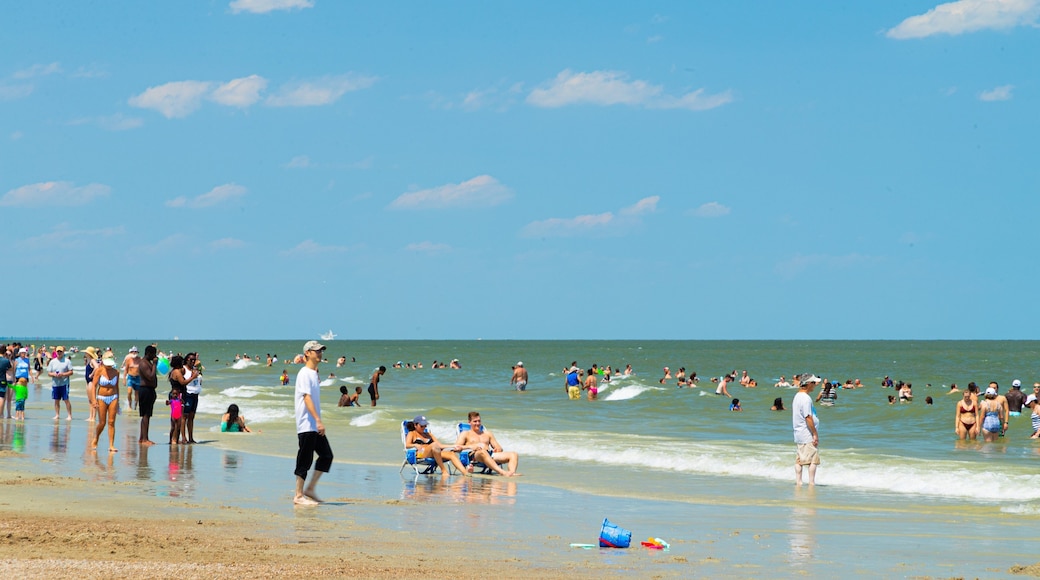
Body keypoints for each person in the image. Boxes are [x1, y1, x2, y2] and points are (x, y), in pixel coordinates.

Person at [294, 341, 332, 506]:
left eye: (321, 351)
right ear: (307, 353)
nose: (320, 353)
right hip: (306, 424)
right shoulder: (304, 373)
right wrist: (318, 420)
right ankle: (298, 495)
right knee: (305, 459)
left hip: (313, 425)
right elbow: (306, 398)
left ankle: (310, 489)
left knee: (326, 455)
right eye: (317, 351)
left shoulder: (313, 373)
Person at [453, 411, 518, 477]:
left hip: (490, 455)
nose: (478, 423)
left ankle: (512, 473)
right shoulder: (465, 434)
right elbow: (456, 447)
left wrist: (497, 449)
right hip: (475, 456)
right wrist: (471, 446)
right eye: (475, 421)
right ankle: (502, 472)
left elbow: (499, 447)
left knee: (513, 454)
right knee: (483, 452)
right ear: (469, 422)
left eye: (479, 421)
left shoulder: (487, 433)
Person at [792, 374, 821, 486]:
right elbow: (808, 417)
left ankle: (798, 481)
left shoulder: (797, 396)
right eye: (813, 383)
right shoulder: (806, 398)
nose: (815, 385)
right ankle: (811, 483)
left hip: (799, 432)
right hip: (806, 433)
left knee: (799, 459)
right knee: (813, 459)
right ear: (808, 383)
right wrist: (815, 434)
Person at [91, 357, 120, 452]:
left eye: (110, 365)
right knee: (102, 422)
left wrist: (118, 401)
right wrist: (94, 400)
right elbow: (94, 386)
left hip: (113, 397)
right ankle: (96, 438)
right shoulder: (99, 371)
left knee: (111, 422)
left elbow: (117, 386)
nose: (109, 367)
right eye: (107, 365)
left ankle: (111, 445)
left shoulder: (116, 372)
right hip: (102, 397)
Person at [137, 345, 158, 445]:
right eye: (153, 354)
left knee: (147, 415)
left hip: (149, 390)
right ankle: (145, 439)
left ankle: (143, 437)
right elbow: (150, 376)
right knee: (145, 415)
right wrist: (154, 364)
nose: (155, 356)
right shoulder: (143, 363)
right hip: (145, 390)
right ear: (148, 353)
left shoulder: (147, 363)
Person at [47, 346, 74, 421]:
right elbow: (49, 373)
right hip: (55, 384)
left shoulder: (67, 361)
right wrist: (54, 374)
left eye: (60, 351)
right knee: (56, 400)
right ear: (56, 352)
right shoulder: (52, 362)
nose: (59, 353)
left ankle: (69, 415)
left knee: (66, 399)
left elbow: (71, 372)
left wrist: (63, 374)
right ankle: (57, 415)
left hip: (64, 383)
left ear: (63, 352)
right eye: (58, 351)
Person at [82, 346, 100, 422]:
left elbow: (97, 367)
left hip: (92, 381)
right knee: (90, 400)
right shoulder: (88, 361)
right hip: (88, 381)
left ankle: (93, 417)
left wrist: (92, 374)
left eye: (86, 352)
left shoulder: (92, 360)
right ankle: (90, 416)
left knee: (93, 400)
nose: (85, 353)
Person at [122, 346, 141, 411]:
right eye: (133, 352)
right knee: (129, 392)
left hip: (138, 378)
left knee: (137, 393)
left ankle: (135, 407)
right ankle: (129, 406)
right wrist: (124, 379)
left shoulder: (140, 359)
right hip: (130, 377)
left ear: (137, 352)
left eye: (135, 352)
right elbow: (126, 369)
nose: (134, 353)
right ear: (131, 352)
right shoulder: (128, 360)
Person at [0, 350, 10, 420]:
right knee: (1, 397)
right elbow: (10, 368)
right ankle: (0, 414)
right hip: (2, 380)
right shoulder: (6, 361)